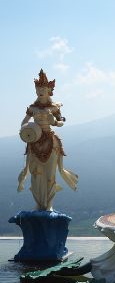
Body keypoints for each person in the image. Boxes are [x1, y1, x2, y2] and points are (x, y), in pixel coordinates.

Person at [17, 69, 78, 210]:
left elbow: (61, 121)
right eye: (38, 88)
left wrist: (55, 122)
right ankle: (39, 204)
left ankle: (48, 204)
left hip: (50, 142)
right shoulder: (32, 108)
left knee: (50, 175)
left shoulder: (54, 107)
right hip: (34, 141)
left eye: (43, 88)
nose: (40, 91)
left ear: (49, 90)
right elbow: (24, 121)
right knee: (35, 174)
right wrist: (26, 129)